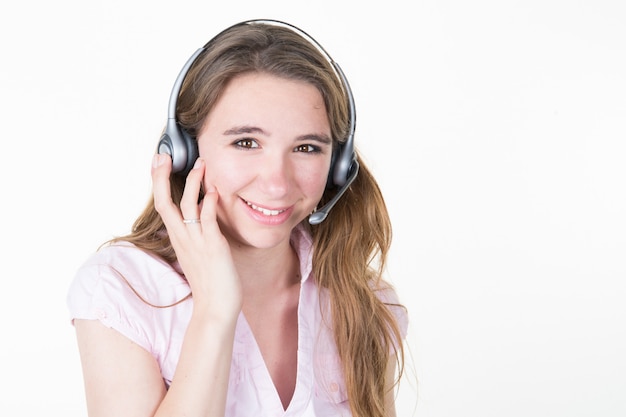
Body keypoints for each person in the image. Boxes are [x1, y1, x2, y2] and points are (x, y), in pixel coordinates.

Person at [67, 19, 408, 417]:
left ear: (339, 167)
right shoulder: (121, 289)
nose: (278, 183)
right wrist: (215, 310)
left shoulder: (365, 303)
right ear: (185, 152)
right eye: (246, 142)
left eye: (307, 148)